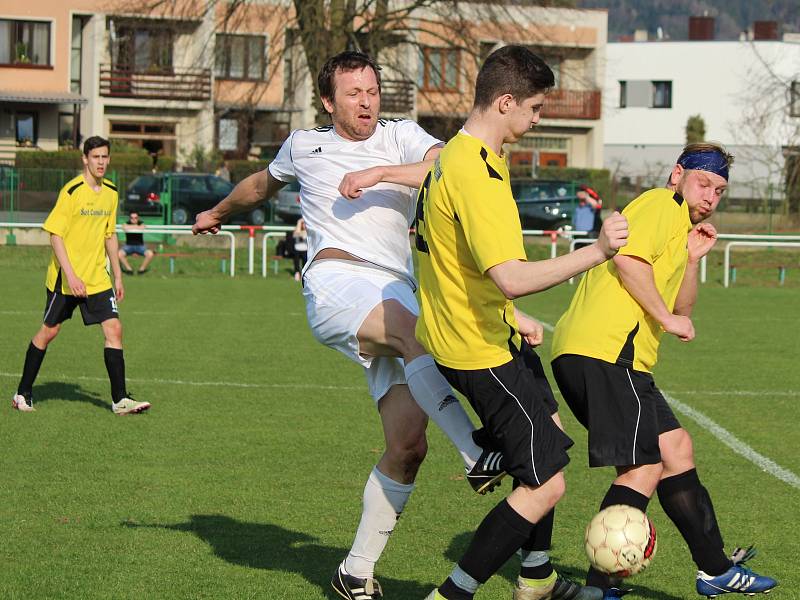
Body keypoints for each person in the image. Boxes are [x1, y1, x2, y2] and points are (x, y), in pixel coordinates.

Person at [193, 51, 505, 600]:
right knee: (415, 334)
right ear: (328, 101)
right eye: (354, 93)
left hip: (394, 287)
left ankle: (354, 572)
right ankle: (476, 454)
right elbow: (261, 186)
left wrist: (383, 171)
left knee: (408, 445)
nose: (366, 101)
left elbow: (447, 166)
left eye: (372, 91)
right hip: (336, 282)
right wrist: (218, 213)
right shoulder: (304, 145)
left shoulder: (400, 135)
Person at [375, 45, 628, 600]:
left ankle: (537, 576)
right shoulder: (473, 173)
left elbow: (455, 260)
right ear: (506, 101)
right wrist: (598, 250)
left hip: (490, 331)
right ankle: (452, 594)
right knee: (547, 483)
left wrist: (512, 314)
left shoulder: (461, 158)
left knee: (551, 440)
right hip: (477, 351)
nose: (537, 121)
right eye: (534, 108)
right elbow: (511, 274)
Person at [550, 142, 777, 598]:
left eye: (720, 189)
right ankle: (600, 586)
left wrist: (692, 261)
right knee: (641, 469)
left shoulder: (678, 229)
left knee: (676, 449)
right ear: (677, 176)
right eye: (704, 182)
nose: (711, 196)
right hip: (605, 353)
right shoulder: (659, 203)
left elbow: (681, 306)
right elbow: (629, 261)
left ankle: (715, 570)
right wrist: (668, 319)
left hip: (617, 359)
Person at [11, 136, 151, 416]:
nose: (101, 162)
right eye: (96, 157)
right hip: (66, 279)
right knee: (49, 332)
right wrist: (71, 276)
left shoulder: (111, 192)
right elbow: (55, 235)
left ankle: (120, 400)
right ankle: (22, 393)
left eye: (105, 157)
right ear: (85, 159)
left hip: (98, 278)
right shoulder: (72, 191)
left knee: (114, 330)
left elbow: (109, 235)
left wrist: (119, 276)